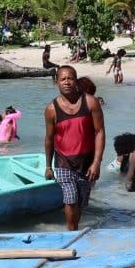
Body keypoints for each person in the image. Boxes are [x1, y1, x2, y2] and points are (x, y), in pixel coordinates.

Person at [43, 65, 105, 230]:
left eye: (70, 78)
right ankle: (71, 233)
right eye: (62, 79)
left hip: (87, 161)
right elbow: (49, 139)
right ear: (56, 82)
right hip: (63, 161)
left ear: (76, 81)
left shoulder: (90, 102)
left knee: (81, 202)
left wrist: (97, 162)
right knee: (70, 199)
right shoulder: (51, 110)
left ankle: (75, 228)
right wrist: (48, 166)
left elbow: (99, 132)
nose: (67, 82)